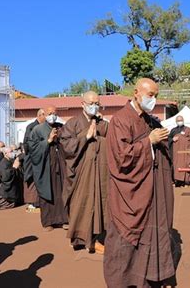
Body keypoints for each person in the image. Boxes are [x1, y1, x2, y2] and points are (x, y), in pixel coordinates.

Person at [104, 78, 177, 287]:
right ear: (136, 93)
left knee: (151, 234)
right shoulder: (121, 119)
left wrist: (161, 139)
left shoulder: (149, 120)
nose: (153, 99)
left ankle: (150, 276)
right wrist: (149, 142)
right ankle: (123, 281)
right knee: (124, 242)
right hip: (130, 193)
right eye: (150, 95)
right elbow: (121, 157)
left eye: (156, 95)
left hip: (150, 189)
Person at [59, 91, 109, 254]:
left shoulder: (102, 124)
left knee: (97, 203)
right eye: (91, 103)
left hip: (99, 172)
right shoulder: (72, 123)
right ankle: (79, 238)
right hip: (80, 173)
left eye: (97, 103)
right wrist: (85, 137)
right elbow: (65, 146)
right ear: (82, 104)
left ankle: (93, 239)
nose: (94, 106)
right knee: (80, 205)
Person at [28, 106, 69, 231]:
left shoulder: (61, 127)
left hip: (61, 164)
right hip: (46, 166)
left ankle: (64, 219)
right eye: (50, 113)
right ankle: (48, 222)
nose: (53, 115)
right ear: (45, 115)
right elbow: (32, 147)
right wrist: (48, 141)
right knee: (47, 192)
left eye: (55, 113)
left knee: (62, 191)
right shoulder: (37, 129)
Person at [23, 109, 45, 212]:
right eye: (47, 115)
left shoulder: (45, 126)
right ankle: (32, 203)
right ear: (40, 115)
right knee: (32, 179)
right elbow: (27, 144)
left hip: (42, 157)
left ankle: (40, 202)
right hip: (32, 158)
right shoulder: (31, 126)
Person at [168, 115, 190, 187]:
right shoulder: (173, 130)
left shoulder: (187, 129)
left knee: (186, 165)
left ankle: (187, 182)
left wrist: (181, 139)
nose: (180, 121)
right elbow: (168, 139)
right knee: (176, 166)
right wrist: (172, 139)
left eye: (181, 120)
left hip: (185, 153)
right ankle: (177, 181)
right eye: (178, 120)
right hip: (176, 153)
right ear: (176, 122)